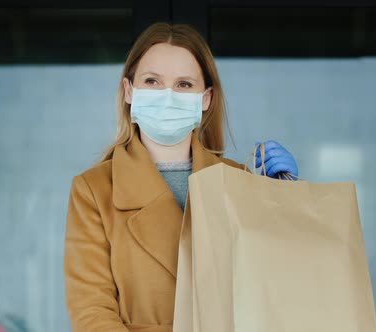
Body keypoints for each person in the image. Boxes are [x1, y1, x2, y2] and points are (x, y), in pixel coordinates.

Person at [63, 22, 298, 331]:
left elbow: (274, 286)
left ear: (206, 98)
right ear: (129, 91)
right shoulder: (94, 190)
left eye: (184, 84)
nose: (168, 96)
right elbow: (92, 311)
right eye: (152, 81)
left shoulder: (238, 182)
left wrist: (283, 200)